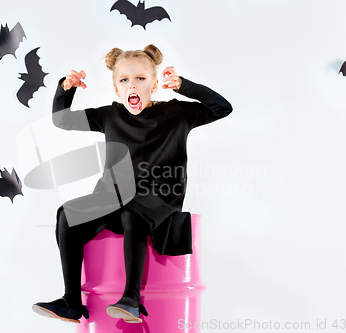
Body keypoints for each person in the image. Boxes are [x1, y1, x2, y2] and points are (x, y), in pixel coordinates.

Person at [32, 44, 232, 323]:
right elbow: (62, 120)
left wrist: (184, 86)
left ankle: (132, 298)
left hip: (160, 200)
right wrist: (67, 88)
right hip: (114, 198)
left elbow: (223, 108)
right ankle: (71, 301)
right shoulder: (110, 116)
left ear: (154, 83)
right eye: (124, 80)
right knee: (68, 214)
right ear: (116, 88)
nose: (132, 85)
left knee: (132, 210)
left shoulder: (176, 115)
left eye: (140, 78)